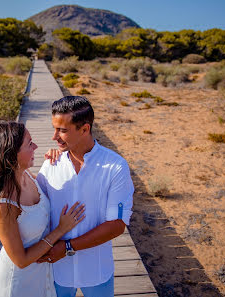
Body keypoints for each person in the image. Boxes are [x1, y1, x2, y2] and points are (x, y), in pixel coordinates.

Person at [36, 96, 134, 297]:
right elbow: (36, 208)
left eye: (62, 130)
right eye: (54, 128)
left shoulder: (115, 167)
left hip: (96, 270)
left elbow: (117, 224)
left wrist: (68, 247)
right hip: (56, 271)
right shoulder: (50, 164)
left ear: (85, 129)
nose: (55, 137)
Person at [0, 120, 86, 297]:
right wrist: (61, 229)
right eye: (29, 144)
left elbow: (54, 184)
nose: (36, 146)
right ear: (11, 155)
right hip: (17, 285)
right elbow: (21, 260)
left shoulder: (27, 175)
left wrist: (56, 159)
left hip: (40, 276)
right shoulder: (5, 204)